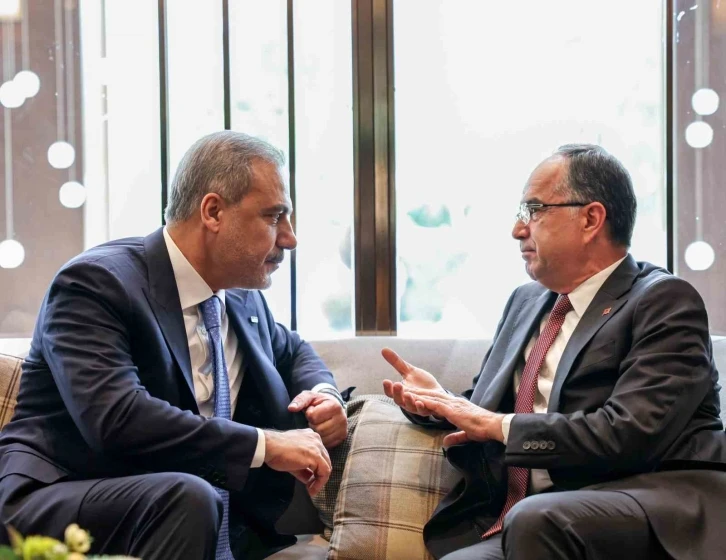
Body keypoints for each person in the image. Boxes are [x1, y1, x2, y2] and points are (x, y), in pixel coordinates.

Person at [0, 131, 348, 560]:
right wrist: (266, 445)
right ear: (213, 212)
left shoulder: (240, 298)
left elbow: (292, 350)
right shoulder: (96, 283)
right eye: (274, 217)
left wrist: (325, 394)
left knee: (190, 499)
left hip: (187, 513)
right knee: (188, 498)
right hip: (62, 497)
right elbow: (117, 418)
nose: (290, 238)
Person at [383, 144, 726, 560]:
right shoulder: (525, 301)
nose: (517, 229)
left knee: (537, 518)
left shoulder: (664, 300)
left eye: (533, 210)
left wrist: (493, 424)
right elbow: (490, 413)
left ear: (591, 219)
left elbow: (629, 434)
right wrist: (440, 404)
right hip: (530, 520)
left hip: (648, 502)